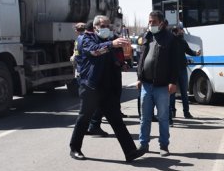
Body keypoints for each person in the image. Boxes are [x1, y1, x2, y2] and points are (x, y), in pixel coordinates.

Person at [69, 15, 145, 162]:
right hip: (90, 86)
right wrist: (112, 44)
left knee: (116, 119)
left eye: (108, 26)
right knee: (84, 118)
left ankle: (130, 152)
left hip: (105, 87)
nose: (107, 29)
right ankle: (75, 148)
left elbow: (109, 59)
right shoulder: (85, 39)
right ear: (95, 26)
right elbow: (94, 51)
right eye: (103, 26)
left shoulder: (104, 40)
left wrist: (120, 63)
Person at [136, 11, 179, 157]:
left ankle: (164, 146)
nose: (150, 24)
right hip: (146, 85)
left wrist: (173, 82)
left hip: (162, 86)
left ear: (161, 22)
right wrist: (139, 77)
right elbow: (141, 58)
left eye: (153, 22)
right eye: (149, 21)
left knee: (163, 117)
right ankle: (143, 145)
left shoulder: (170, 38)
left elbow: (175, 63)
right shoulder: (146, 37)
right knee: (145, 117)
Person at [169, 24, 201, 121]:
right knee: (172, 93)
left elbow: (189, 51)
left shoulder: (182, 41)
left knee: (184, 92)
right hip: (172, 70)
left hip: (182, 69)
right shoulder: (170, 41)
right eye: (181, 30)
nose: (182, 31)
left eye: (182, 30)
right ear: (175, 31)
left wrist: (196, 53)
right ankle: (172, 111)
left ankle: (186, 112)